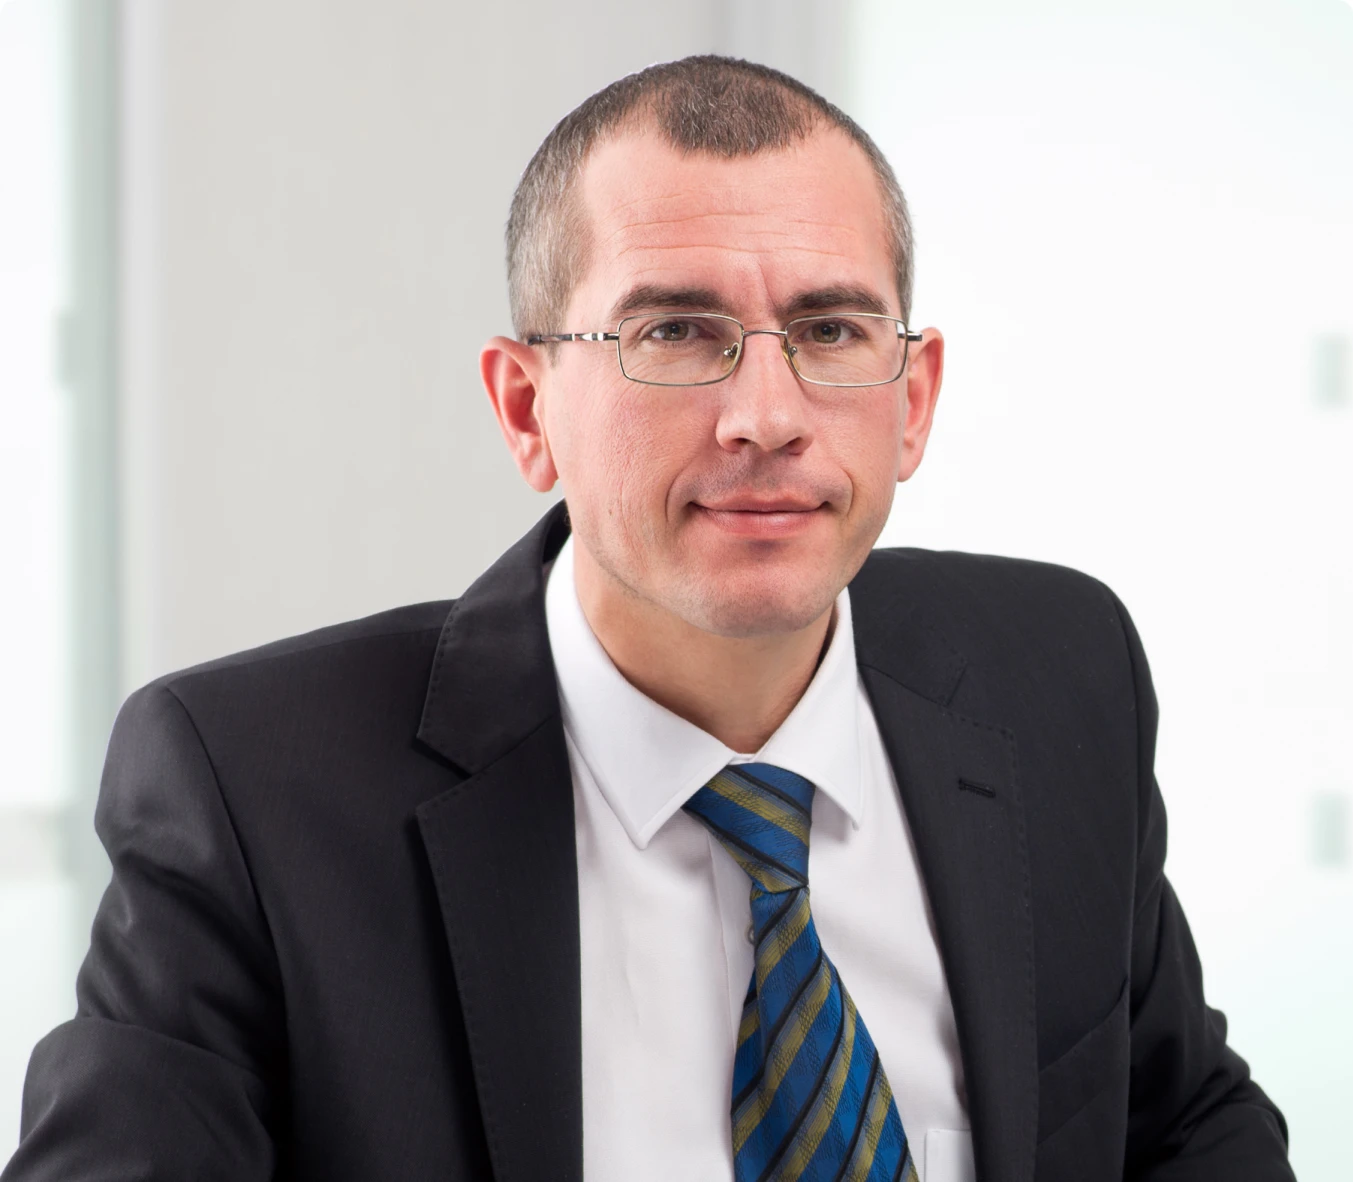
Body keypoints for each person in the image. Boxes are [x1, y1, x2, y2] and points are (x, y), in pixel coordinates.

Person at [4, 55, 1293, 1182]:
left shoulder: (1057, 677)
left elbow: (1183, 1128)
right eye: (677, 332)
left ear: (914, 398)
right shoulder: (254, 793)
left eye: (831, 328)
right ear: (525, 410)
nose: (768, 415)